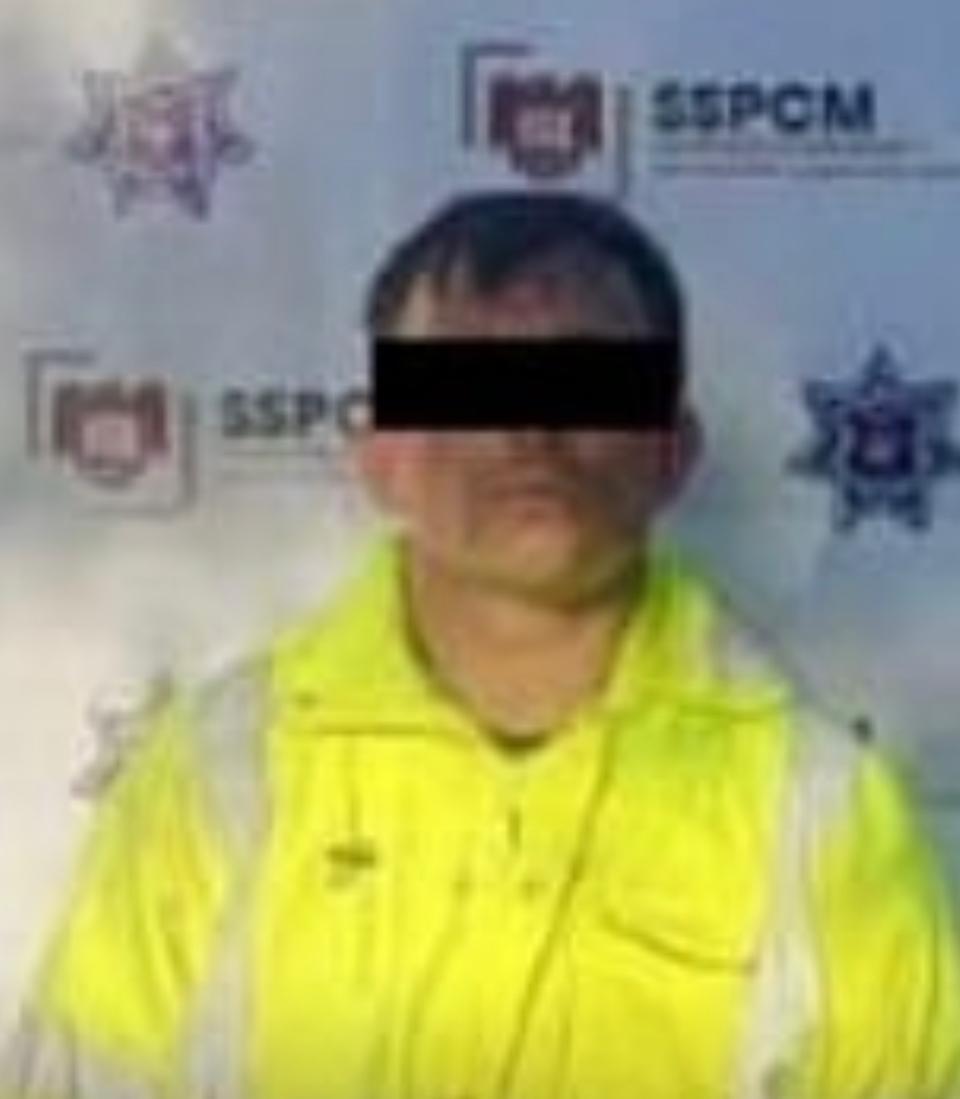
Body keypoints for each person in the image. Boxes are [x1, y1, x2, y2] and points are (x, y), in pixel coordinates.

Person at [3, 190, 959, 1099]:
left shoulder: (820, 805)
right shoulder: (216, 772)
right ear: (381, 455)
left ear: (671, 450)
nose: (531, 432)